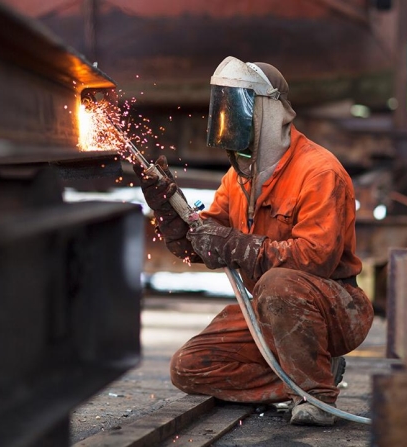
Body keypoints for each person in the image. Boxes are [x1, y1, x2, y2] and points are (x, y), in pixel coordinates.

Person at [132, 56, 374, 426]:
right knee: (188, 367)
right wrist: (169, 210)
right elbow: (202, 244)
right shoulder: (237, 178)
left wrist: (235, 245)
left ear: (268, 111)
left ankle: (317, 396)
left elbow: (316, 260)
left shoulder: (320, 171)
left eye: (236, 107)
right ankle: (308, 372)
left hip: (335, 309)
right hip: (269, 310)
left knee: (279, 283)